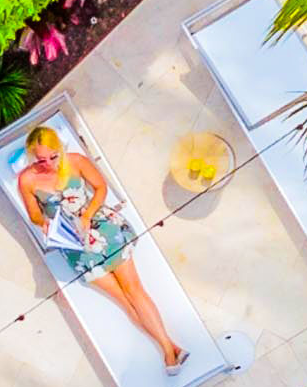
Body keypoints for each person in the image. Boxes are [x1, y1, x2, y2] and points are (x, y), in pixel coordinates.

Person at [15, 125, 190, 370]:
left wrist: (87, 215)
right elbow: (34, 214)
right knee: (124, 301)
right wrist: (44, 223)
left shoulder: (75, 161)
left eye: (53, 157)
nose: (48, 164)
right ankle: (170, 347)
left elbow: (101, 188)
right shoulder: (27, 179)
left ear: (59, 150)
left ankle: (169, 353)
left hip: (102, 229)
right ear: (31, 155)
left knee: (134, 291)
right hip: (75, 245)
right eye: (41, 160)